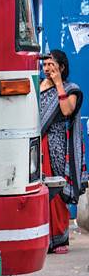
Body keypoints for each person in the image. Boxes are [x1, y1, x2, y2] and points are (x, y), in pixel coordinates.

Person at [39, 49, 84, 254]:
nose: (47, 69)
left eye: (52, 65)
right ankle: (41, 237)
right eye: (45, 64)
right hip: (36, 144)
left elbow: (67, 111)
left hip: (56, 145)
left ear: (62, 68)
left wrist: (58, 84)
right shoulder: (36, 85)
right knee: (38, 189)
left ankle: (59, 239)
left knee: (55, 190)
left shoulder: (70, 88)